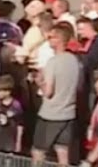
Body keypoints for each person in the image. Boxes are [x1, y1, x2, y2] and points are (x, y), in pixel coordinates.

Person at [34, 24, 80, 166]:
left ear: (59, 39)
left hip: (51, 114)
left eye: (51, 37)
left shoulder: (53, 62)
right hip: (68, 113)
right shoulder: (74, 61)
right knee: (62, 151)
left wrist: (39, 81)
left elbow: (48, 92)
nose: (48, 40)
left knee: (38, 151)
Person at [0, 74, 24, 154]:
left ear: (8, 91)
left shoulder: (16, 105)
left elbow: (20, 125)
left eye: (1, 91)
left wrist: (18, 143)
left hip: (10, 143)